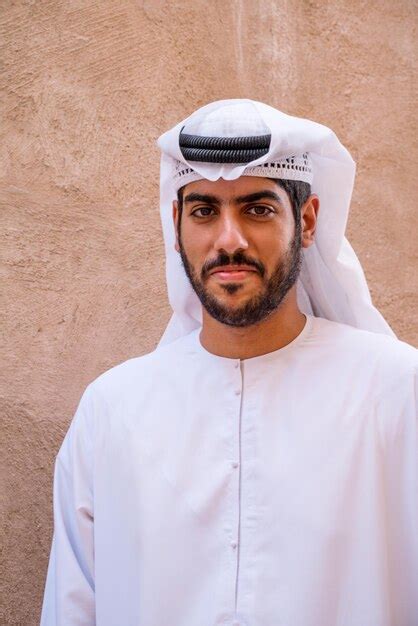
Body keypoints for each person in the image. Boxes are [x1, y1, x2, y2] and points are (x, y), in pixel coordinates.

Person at [40, 100, 417, 626]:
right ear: (176, 226)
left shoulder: (398, 393)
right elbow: (72, 607)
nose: (229, 240)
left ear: (307, 222)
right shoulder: (113, 411)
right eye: (204, 211)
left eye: (258, 209)